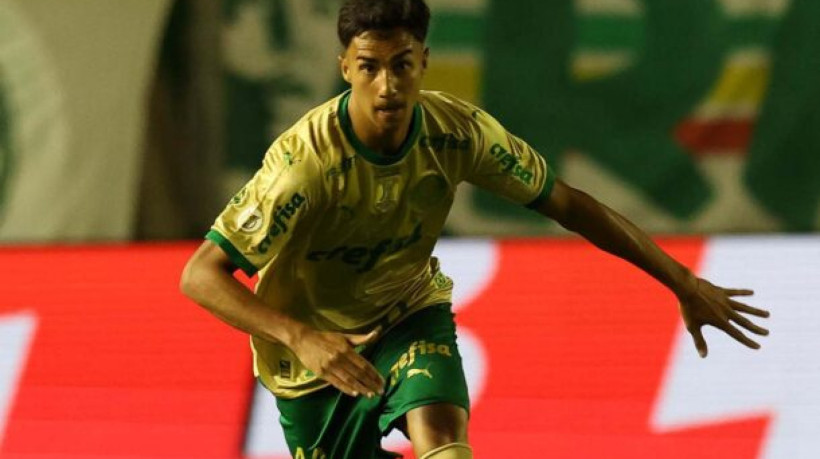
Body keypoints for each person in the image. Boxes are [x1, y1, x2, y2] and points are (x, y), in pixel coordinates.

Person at [179, 0, 770, 457]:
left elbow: (570, 204)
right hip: (309, 359)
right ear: (345, 68)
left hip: (408, 314)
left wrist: (681, 282)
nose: (387, 85)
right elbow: (200, 275)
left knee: (442, 437)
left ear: (424, 62)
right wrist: (300, 337)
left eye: (402, 65)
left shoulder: (458, 133)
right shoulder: (304, 164)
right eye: (370, 67)